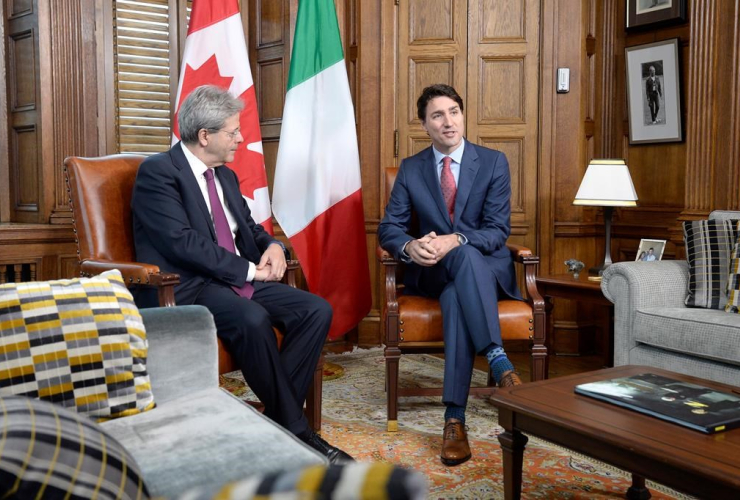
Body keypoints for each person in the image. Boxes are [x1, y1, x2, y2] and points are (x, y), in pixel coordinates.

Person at [131, 85, 352, 464]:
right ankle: (299, 433)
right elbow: (182, 244)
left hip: (234, 279)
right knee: (254, 318)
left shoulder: (225, 177)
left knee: (316, 310)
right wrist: (251, 270)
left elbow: (247, 230)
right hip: (189, 287)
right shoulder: (159, 173)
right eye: (233, 131)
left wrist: (272, 247)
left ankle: (275, 427)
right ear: (205, 136)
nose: (241, 138)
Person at [378, 83, 523, 467]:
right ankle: (496, 356)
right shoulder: (411, 169)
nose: (448, 122)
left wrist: (454, 239)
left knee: (462, 275)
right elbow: (389, 228)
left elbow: (497, 231)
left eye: (454, 112)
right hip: (430, 272)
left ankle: (454, 418)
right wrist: (411, 248)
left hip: (483, 271)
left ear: (463, 115)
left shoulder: (493, 162)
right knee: (456, 274)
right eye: (437, 115)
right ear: (424, 125)